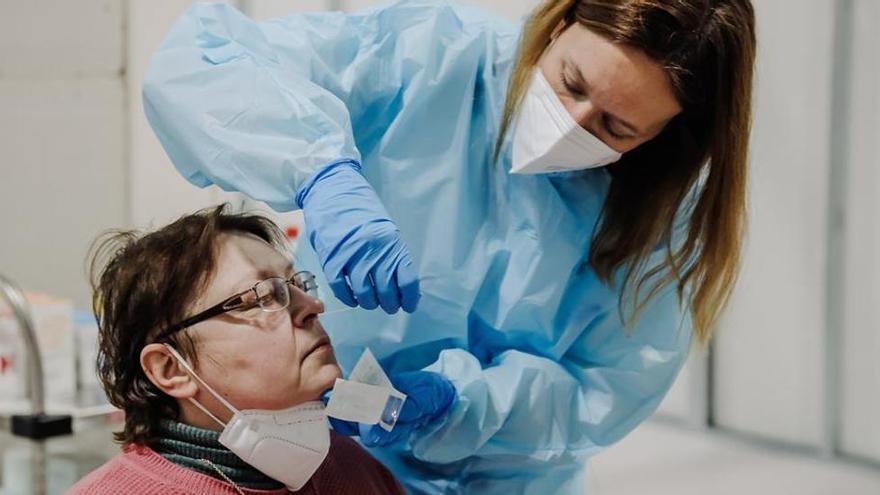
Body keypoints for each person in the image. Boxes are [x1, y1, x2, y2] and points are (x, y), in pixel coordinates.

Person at [142, 0, 757, 493]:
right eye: (570, 82)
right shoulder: (432, 56)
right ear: (559, 22)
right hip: (326, 453)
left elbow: (605, 391)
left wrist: (464, 405)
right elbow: (203, 61)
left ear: (664, 135)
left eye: (616, 127)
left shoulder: (664, 208)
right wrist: (319, 169)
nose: (571, 122)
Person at [69, 205, 416, 494]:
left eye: (297, 285)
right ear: (171, 369)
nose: (312, 305)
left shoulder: (352, 471)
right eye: (262, 297)